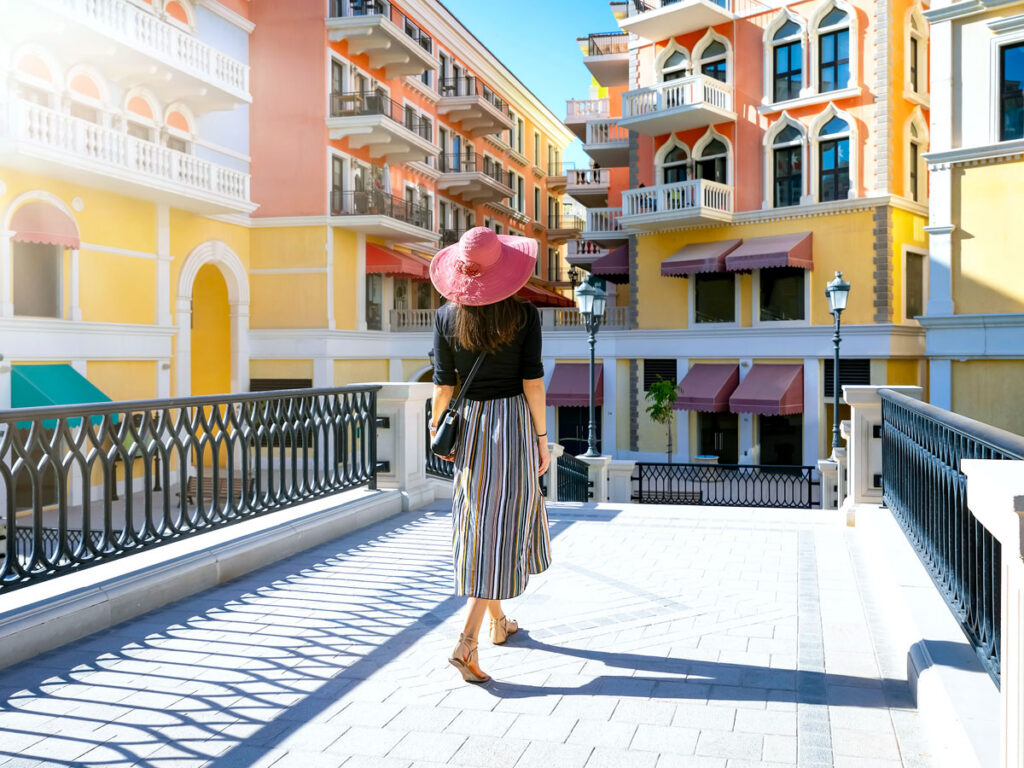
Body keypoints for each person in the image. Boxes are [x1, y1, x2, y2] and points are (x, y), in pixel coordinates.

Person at [429, 227, 553, 684]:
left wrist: (437, 431)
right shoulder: (524, 315)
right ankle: (466, 641)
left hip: (471, 430)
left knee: (483, 521)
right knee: (498, 527)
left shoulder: (446, 317)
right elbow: (532, 383)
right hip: (512, 425)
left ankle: (500, 623)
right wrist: (542, 437)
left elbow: (444, 385)